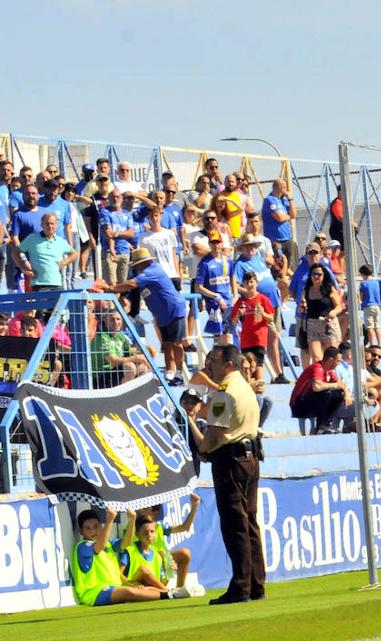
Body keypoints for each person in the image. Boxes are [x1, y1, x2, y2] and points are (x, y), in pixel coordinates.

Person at [188, 344, 264, 605]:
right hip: (252, 456)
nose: (211, 367)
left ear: (228, 364)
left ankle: (241, 585)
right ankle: (256, 584)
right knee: (250, 522)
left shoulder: (225, 392)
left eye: (215, 362)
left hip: (231, 460)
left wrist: (202, 449)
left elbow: (216, 433)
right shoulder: (244, 386)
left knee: (235, 525)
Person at [70, 509, 187, 606]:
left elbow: (126, 543)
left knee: (145, 589)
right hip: (93, 592)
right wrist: (110, 520)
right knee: (128, 591)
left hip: (113, 588)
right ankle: (169, 595)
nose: (93, 531)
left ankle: (175, 592)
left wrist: (132, 520)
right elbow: (98, 547)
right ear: (81, 531)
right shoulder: (82, 546)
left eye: (96, 526)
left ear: (100, 526)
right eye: (88, 528)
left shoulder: (109, 544)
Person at [106, 248, 187, 385]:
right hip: (162, 314)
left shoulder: (152, 271)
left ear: (141, 264)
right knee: (166, 344)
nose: (135, 268)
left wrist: (111, 288)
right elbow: (131, 288)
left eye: (136, 265)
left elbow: (131, 284)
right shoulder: (143, 273)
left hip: (173, 310)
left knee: (176, 343)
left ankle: (179, 373)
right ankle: (169, 373)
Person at [290, 346, 351, 434]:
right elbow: (317, 387)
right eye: (337, 361)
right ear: (330, 360)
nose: (339, 364)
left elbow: (341, 384)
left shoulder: (329, 371)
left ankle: (325, 424)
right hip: (299, 405)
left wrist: (346, 394)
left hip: (311, 402)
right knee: (327, 393)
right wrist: (335, 385)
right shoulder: (317, 368)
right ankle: (320, 426)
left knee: (339, 394)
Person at [90, 308, 151, 388]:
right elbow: (113, 361)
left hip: (114, 373)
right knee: (129, 367)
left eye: (118, 319)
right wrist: (137, 357)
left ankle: (139, 394)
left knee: (143, 367)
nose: (116, 322)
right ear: (105, 322)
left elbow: (129, 351)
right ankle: (124, 397)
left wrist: (145, 352)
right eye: (112, 320)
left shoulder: (120, 336)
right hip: (100, 377)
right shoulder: (102, 337)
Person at [195, 232, 235, 346]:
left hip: (228, 302)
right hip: (214, 305)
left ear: (222, 244)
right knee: (219, 335)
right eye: (213, 243)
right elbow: (199, 287)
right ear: (209, 244)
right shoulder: (205, 263)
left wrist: (235, 295)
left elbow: (232, 277)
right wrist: (216, 297)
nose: (216, 245)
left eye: (218, 242)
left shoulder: (227, 260)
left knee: (229, 334)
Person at [17, 212, 75, 290]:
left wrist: (64, 262)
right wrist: (24, 267)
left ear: (56, 225)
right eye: (47, 224)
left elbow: (74, 253)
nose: (50, 226)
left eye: (52, 223)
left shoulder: (60, 241)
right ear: (42, 225)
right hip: (38, 284)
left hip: (57, 284)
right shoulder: (32, 238)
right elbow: (16, 252)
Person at [301, 264, 344, 363]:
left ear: (324, 275)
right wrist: (302, 306)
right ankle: (321, 376)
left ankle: (331, 377)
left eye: (319, 274)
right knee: (316, 358)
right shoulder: (306, 290)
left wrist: (333, 313)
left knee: (331, 357)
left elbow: (339, 306)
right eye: (313, 274)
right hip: (312, 325)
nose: (316, 276)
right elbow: (302, 307)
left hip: (328, 324)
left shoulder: (329, 289)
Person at [261, 179, 297, 266]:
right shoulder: (269, 200)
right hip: (275, 240)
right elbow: (279, 218)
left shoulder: (284, 200)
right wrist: (289, 216)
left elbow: (294, 214)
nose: (286, 189)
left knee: (289, 265)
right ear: (278, 187)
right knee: (278, 265)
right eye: (284, 187)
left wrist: (290, 199)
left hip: (287, 238)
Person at [359, 264, 381, 347]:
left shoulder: (363, 283)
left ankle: (371, 343)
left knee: (369, 326)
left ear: (362, 274)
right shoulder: (376, 282)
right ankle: (380, 343)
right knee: (377, 326)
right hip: (377, 306)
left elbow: (361, 297)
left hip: (368, 306)